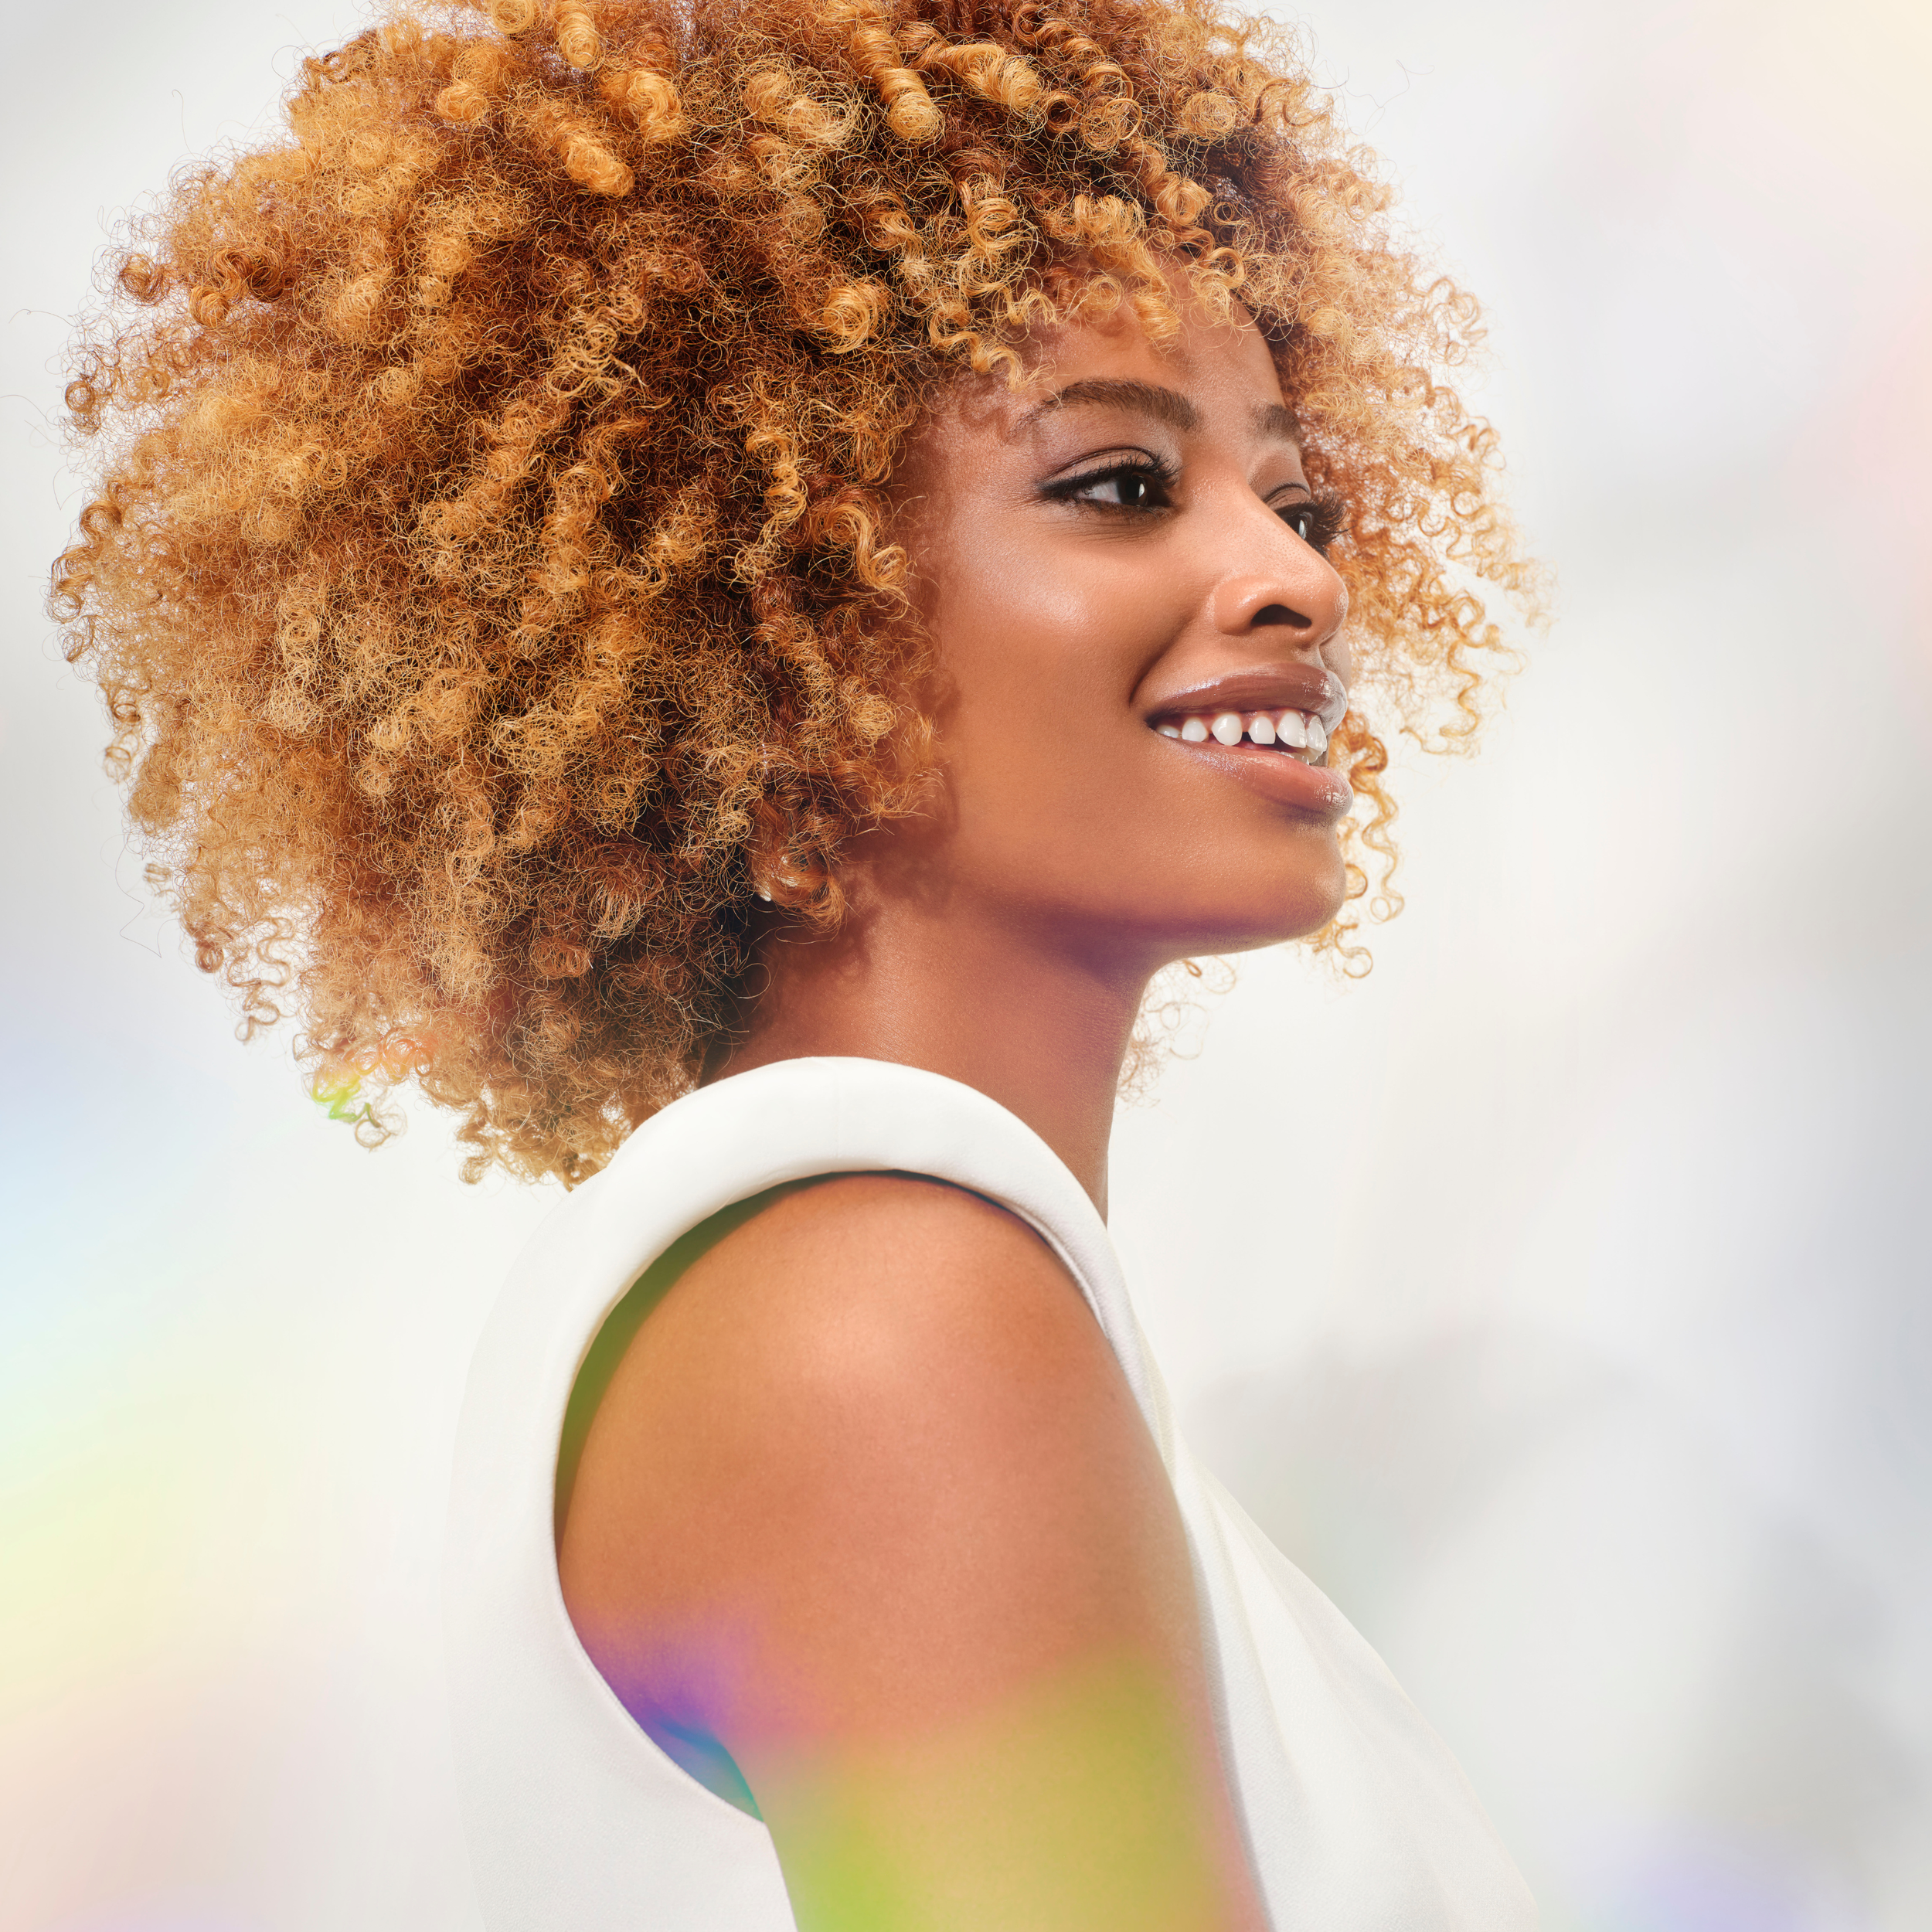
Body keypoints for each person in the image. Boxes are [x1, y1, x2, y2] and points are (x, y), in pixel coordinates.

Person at [50, 0, 1541, 1925]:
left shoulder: (887, 1301)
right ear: (777, 599)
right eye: (1116, 482)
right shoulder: (887, 1313)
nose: (1300, 576)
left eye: (1296, 495)